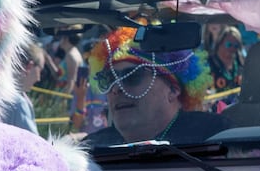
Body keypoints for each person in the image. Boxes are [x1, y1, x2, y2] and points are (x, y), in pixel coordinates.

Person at [82, 28, 227, 147]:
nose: (116, 88)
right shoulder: (91, 151)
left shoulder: (213, 136)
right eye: (110, 79)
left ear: (173, 90)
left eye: (133, 76)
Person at [207, 25, 245, 107]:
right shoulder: (208, 64)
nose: (232, 48)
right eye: (228, 44)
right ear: (220, 43)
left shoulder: (240, 63)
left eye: (236, 46)